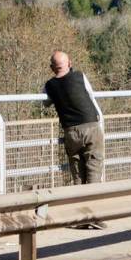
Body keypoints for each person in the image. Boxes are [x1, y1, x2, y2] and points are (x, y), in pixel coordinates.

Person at [43, 51, 107, 229]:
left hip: (70, 130)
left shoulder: (49, 85)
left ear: (51, 68)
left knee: (77, 173)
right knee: (93, 168)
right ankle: (93, 215)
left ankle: (79, 217)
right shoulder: (79, 76)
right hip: (90, 125)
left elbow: (45, 103)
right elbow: (90, 96)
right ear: (70, 63)